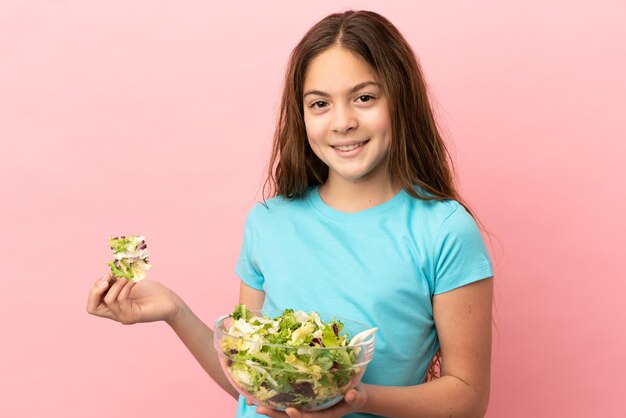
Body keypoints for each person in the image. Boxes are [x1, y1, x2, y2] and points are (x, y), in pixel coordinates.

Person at [87, 10, 494, 418]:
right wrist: (175, 311)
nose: (343, 122)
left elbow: (468, 397)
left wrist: (359, 397)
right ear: (301, 116)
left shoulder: (443, 229)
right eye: (319, 104)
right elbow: (251, 382)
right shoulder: (268, 222)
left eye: (364, 97)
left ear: (400, 98)